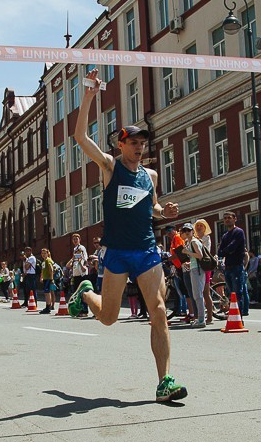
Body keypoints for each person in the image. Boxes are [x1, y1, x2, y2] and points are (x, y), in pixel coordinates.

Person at [67, 68, 186, 402]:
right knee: (108, 318)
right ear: (121, 145)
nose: (139, 149)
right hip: (117, 251)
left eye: (142, 144)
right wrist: (89, 95)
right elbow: (79, 138)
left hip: (146, 250)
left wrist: (166, 213)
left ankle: (164, 383)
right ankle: (86, 294)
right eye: (133, 143)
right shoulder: (109, 167)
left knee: (158, 308)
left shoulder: (150, 175)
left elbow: (155, 209)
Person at [218, 211, 249, 316]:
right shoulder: (225, 235)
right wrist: (227, 250)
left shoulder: (239, 232)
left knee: (238, 293)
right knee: (231, 293)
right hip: (228, 267)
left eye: (229, 217)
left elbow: (233, 246)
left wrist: (226, 250)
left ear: (234, 219)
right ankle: (234, 315)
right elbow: (220, 251)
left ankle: (239, 316)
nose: (227, 220)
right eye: (225, 218)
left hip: (237, 266)